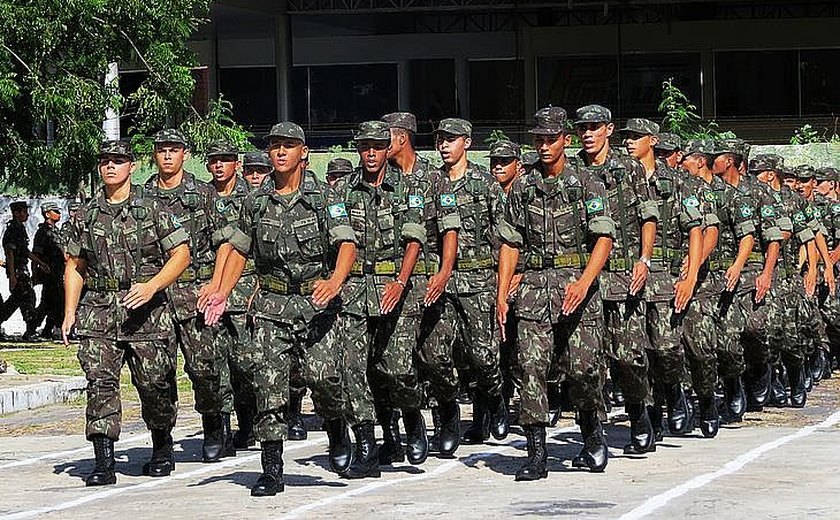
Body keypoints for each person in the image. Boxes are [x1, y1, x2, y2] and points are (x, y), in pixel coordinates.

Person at [204, 122, 358, 495]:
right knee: (268, 386)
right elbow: (240, 249)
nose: (280, 152)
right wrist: (222, 292)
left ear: (303, 152)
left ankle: (336, 426)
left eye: (289, 146)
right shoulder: (256, 201)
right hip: (271, 305)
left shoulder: (324, 197)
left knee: (323, 378)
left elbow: (346, 245)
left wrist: (335, 282)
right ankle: (272, 468)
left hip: (315, 304)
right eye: (274, 146)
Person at [62, 140, 190, 486]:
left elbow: (180, 255)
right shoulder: (85, 214)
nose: (111, 167)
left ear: (131, 166)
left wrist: (152, 286)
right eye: (105, 161)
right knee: (100, 384)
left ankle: (161, 444)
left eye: (118, 161)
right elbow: (75, 265)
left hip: (146, 311)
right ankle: (104, 461)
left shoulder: (153, 209)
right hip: (99, 311)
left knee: (154, 384)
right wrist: (69, 312)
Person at [497, 106, 615, 479]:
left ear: (566, 139)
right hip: (533, 289)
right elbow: (510, 243)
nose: (544, 146)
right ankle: (535, 453)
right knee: (530, 368)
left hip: (576, 285)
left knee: (583, 369)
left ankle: (593, 435)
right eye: (539, 139)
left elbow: (604, 238)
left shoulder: (587, 182)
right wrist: (502, 294)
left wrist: (584, 283)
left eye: (551, 139)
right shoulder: (523, 185)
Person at [575, 106, 659, 454]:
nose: (588, 134)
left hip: (624, 275)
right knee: (584, 363)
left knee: (627, 358)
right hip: (583, 277)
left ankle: (639, 413)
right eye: (583, 129)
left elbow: (648, 215)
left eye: (594, 127)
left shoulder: (629, 169)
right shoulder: (573, 169)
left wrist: (644, 259)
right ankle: (592, 435)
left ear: (608, 130)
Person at [144, 129, 229, 462]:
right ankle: (161, 440)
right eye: (162, 150)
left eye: (174, 150)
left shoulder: (204, 194)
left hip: (196, 292)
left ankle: (212, 424)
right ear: (154, 155)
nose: (167, 156)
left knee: (204, 368)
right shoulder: (142, 196)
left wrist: (217, 285)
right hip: (156, 297)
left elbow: (225, 242)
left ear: (185, 155)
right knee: (156, 374)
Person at [381, 111, 459, 462]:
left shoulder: (433, 178)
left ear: (400, 139)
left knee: (435, 357)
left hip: (429, 281)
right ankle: (404, 428)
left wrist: (444, 273)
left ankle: (447, 410)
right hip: (395, 284)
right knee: (392, 360)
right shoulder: (383, 179)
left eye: (384, 138)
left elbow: (449, 229)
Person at [620, 119, 704, 439]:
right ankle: (645, 416)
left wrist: (691, 275)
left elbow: (695, 229)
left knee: (666, 349)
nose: (630, 142)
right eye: (627, 137)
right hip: (628, 276)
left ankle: (673, 391)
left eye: (637, 137)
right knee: (633, 353)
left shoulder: (678, 182)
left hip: (666, 277)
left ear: (652, 140)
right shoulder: (618, 179)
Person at [428, 117, 507, 452]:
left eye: (451, 139)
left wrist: (503, 286)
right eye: (440, 140)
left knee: (483, 357)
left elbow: (506, 237)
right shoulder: (430, 183)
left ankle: (493, 400)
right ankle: (448, 416)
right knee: (436, 355)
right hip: (441, 283)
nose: (444, 145)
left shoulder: (484, 184)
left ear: (467, 143)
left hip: (479, 280)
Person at [204, 140, 259, 451]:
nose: (219, 165)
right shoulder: (202, 197)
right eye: (214, 160)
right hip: (208, 290)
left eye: (225, 160)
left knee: (244, 362)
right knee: (214, 362)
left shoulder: (251, 199)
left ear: (236, 164)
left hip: (243, 287)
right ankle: (221, 428)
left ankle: (248, 421)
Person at [0, 200, 43, 340]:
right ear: (16, 213)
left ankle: (30, 331)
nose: (27, 214)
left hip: (22, 270)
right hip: (17, 271)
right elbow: (9, 253)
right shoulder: (12, 230)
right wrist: (12, 276)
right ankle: (30, 331)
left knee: (17, 301)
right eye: (23, 211)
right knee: (27, 299)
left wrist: (40, 263)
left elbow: (26, 251)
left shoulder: (20, 229)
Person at [32, 201, 66, 339]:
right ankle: (33, 328)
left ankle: (46, 330)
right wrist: (35, 273)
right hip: (49, 274)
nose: (59, 214)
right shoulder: (43, 233)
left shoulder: (56, 231)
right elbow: (36, 254)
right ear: (47, 214)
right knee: (50, 303)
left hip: (58, 273)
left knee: (52, 303)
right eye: (56, 211)